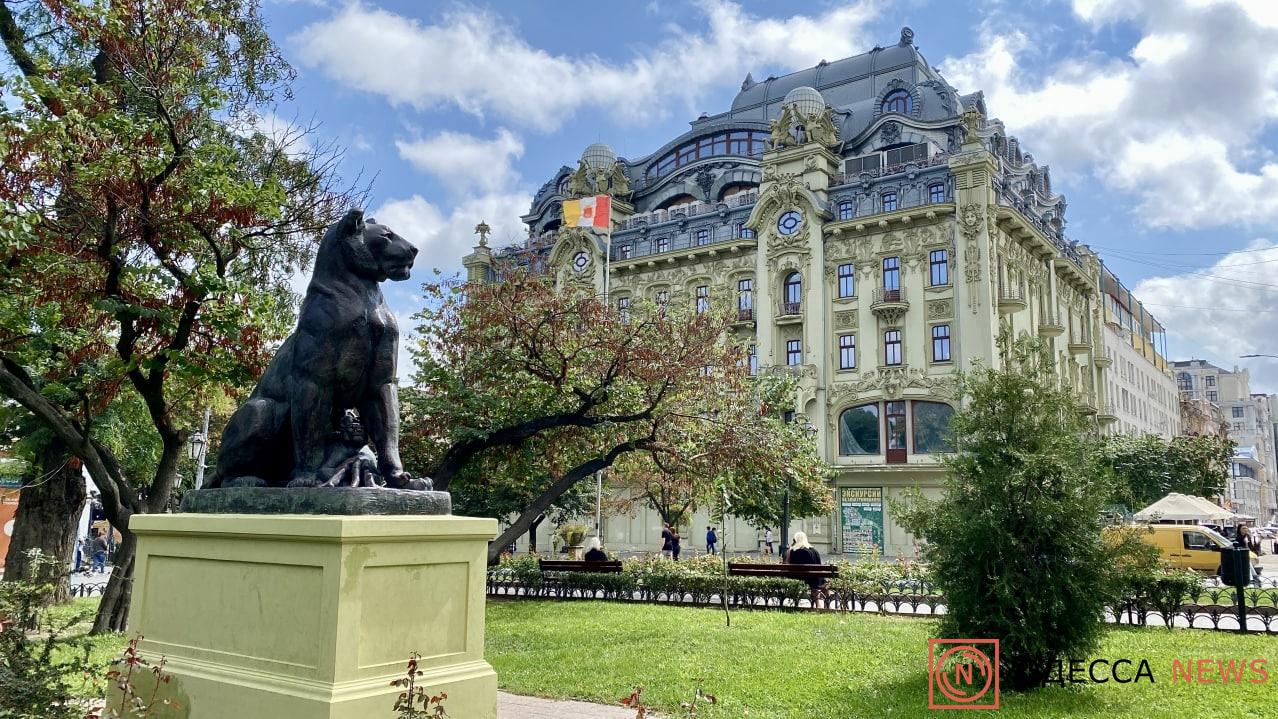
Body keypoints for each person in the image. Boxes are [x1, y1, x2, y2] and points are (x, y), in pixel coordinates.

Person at [784, 531, 827, 605]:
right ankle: (819, 605)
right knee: (820, 583)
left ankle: (795, 603)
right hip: (814, 580)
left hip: (797, 579)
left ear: (795, 540)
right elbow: (819, 566)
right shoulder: (814, 551)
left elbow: (787, 565)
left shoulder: (792, 551)